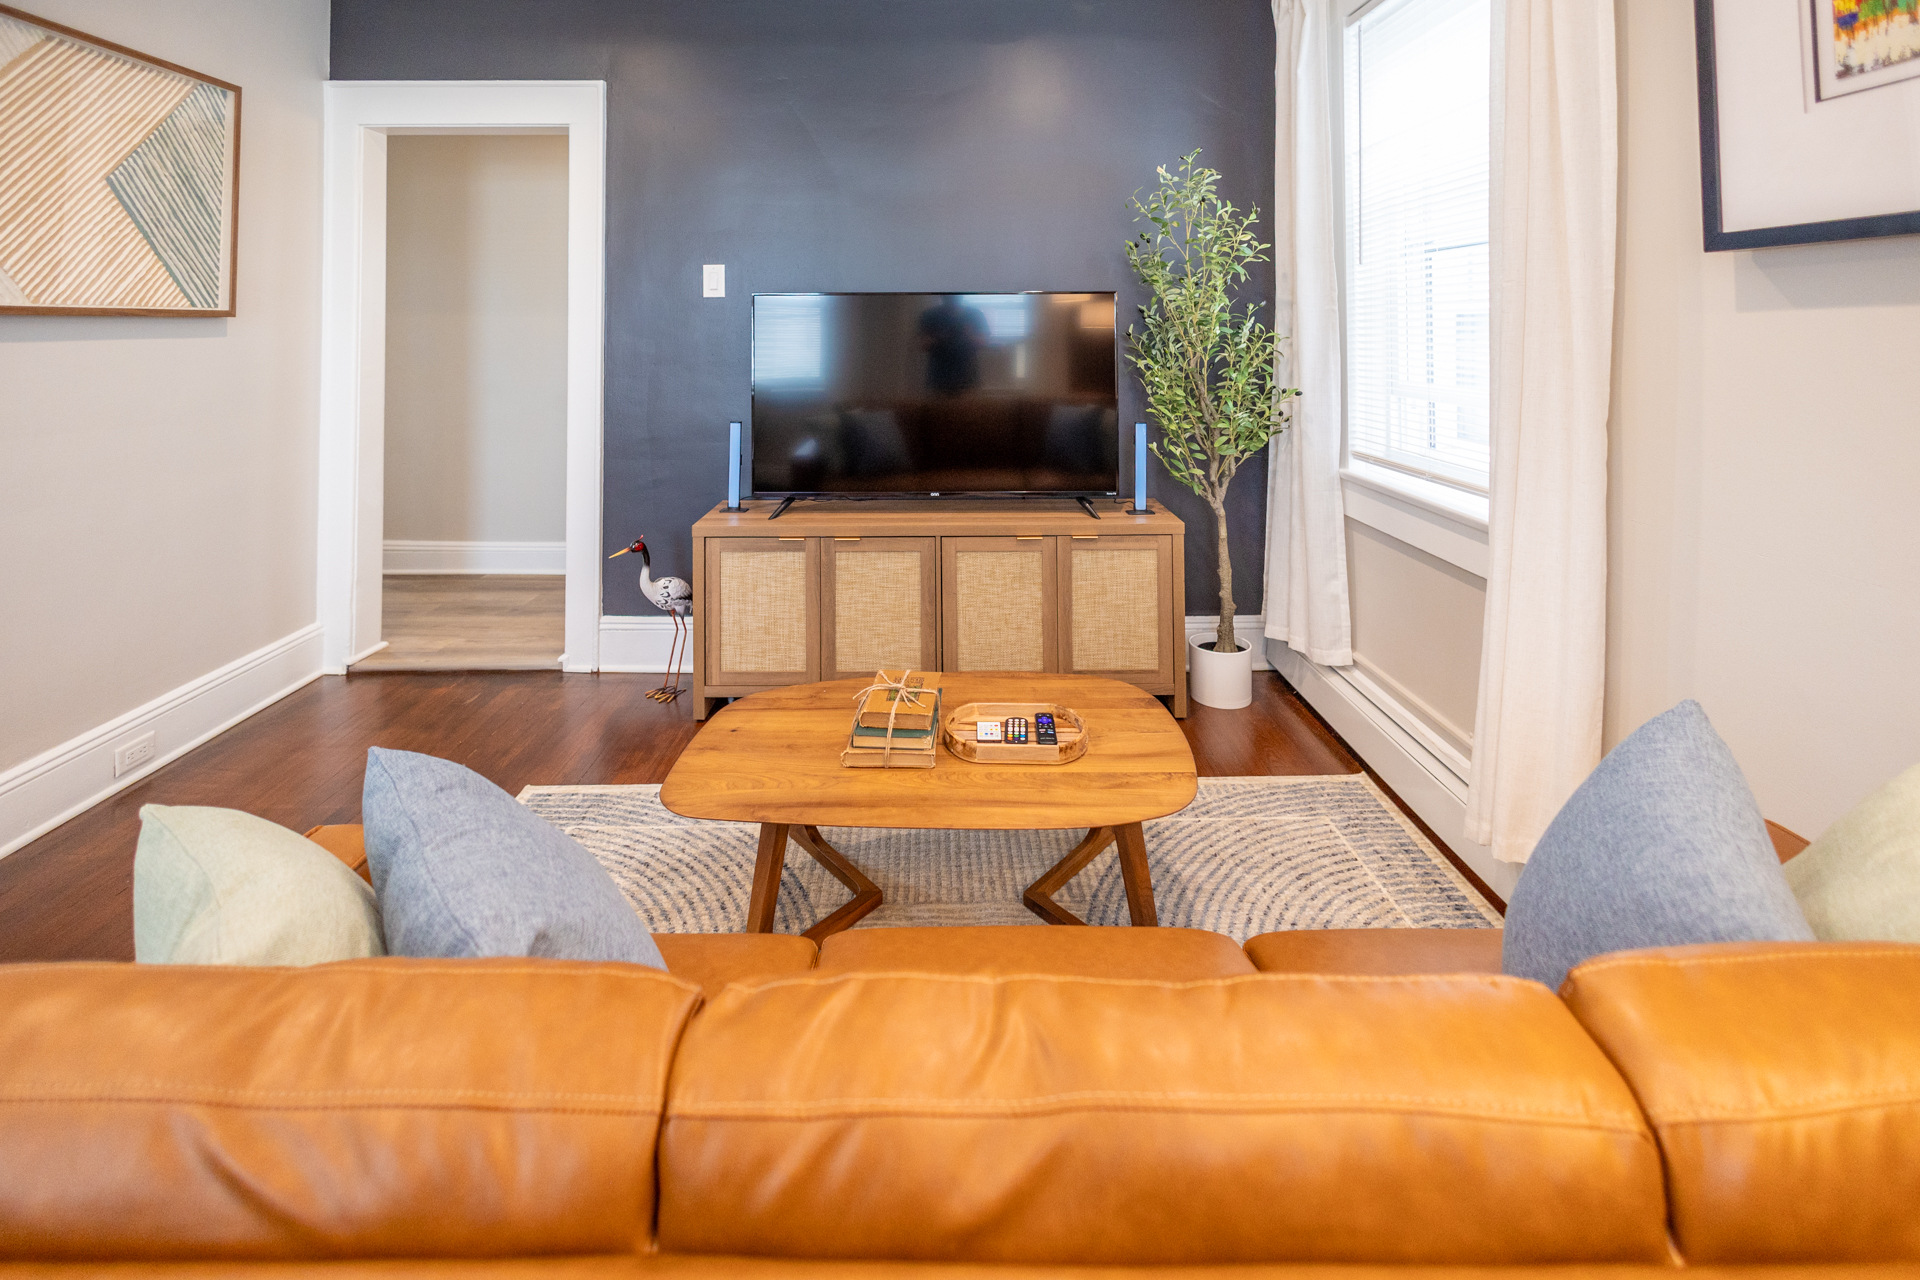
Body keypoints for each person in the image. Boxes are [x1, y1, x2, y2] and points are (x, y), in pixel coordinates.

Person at [917, 294, 989, 394]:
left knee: (968, 403)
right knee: (937, 403)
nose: (952, 297)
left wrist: (969, 334)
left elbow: (983, 343)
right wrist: (939, 336)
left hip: (968, 375)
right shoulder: (930, 315)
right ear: (941, 295)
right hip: (938, 377)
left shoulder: (975, 314)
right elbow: (923, 345)